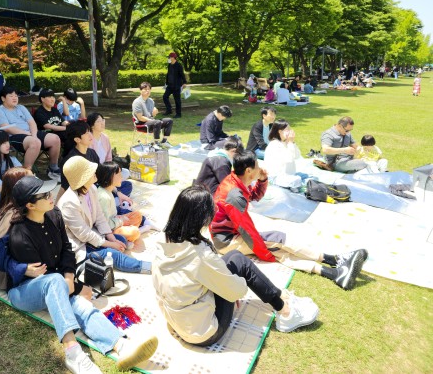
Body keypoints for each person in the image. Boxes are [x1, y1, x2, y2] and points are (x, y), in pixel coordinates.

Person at [0, 175, 158, 373]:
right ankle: (72, 352)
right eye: (44, 195)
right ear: (30, 205)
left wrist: (70, 278)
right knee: (59, 284)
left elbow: (66, 248)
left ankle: (120, 345)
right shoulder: (20, 234)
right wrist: (75, 286)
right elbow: (44, 274)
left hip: (55, 282)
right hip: (25, 290)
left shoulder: (54, 214)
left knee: (82, 306)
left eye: (49, 191)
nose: (51, 196)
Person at [153, 186, 320, 343]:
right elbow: (238, 291)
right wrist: (232, 281)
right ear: (202, 218)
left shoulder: (164, 240)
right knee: (240, 263)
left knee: (233, 257)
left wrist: (225, 280)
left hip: (178, 321)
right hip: (204, 333)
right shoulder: (200, 255)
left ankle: (280, 295)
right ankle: (286, 312)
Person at [210, 150, 367, 290]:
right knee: (279, 241)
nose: (260, 168)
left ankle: (334, 268)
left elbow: (254, 196)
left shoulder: (236, 180)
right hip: (228, 241)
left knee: (278, 248)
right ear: (248, 170)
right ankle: (334, 264)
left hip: (229, 235)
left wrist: (262, 180)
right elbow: (247, 230)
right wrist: (264, 255)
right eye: (257, 165)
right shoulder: (234, 194)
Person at [57, 156, 151, 274]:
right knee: (113, 254)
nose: (94, 172)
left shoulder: (91, 189)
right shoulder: (69, 203)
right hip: (80, 245)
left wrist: (112, 239)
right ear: (82, 177)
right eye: (90, 171)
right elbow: (84, 234)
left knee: (121, 240)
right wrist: (110, 244)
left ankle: (108, 248)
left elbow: (99, 217)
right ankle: (149, 267)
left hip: (93, 234)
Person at [0, 85, 61, 179]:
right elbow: (7, 128)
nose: (14, 98)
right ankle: (26, 173)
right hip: (13, 136)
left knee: (55, 139)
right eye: (11, 96)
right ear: (3, 98)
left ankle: (53, 168)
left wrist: (34, 135)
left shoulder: (21, 107)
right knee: (35, 142)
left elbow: (32, 123)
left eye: (16, 96)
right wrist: (27, 134)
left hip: (30, 134)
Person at [0, 166, 33, 290]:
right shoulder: (12, 215)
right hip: (2, 275)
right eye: (32, 180)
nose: (36, 181)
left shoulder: (16, 207)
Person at [96, 162, 145, 245]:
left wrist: (120, 218)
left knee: (137, 215)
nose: (121, 176)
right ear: (109, 177)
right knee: (135, 232)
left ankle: (126, 237)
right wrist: (121, 221)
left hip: (115, 221)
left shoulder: (108, 190)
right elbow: (104, 224)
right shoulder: (104, 197)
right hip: (109, 231)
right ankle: (124, 238)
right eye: (118, 174)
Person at [59, 121, 100, 196]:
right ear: (77, 139)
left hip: (93, 189)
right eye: (86, 133)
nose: (90, 135)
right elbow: (65, 187)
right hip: (80, 195)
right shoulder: (70, 161)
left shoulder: (92, 153)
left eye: (89, 131)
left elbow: (100, 174)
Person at [263, 120, 305, 188]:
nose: (290, 132)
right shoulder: (274, 145)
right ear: (280, 131)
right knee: (297, 181)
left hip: (289, 175)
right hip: (276, 177)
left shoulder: (286, 142)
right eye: (287, 130)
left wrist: (292, 143)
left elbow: (297, 156)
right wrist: (290, 143)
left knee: (307, 178)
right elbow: (289, 159)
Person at [132, 82, 173, 146]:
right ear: (140, 90)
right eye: (145, 89)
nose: (147, 91)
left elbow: (152, 115)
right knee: (157, 122)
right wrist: (152, 120)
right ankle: (156, 143)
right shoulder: (137, 102)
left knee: (169, 120)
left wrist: (154, 113)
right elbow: (140, 118)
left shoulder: (151, 101)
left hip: (151, 122)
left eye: (149, 89)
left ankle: (164, 141)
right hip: (141, 124)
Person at [162, 52, 186, 118]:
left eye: (169, 57)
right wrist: (166, 82)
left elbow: (182, 74)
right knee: (165, 97)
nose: (169, 58)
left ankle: (178, 114)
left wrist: (184, 82)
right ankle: (169, 110)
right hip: (169, 85)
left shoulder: (179, 65)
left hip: (176, 86)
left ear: (173, 58)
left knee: (177, 100)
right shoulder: (169, 65)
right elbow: (168, 74)